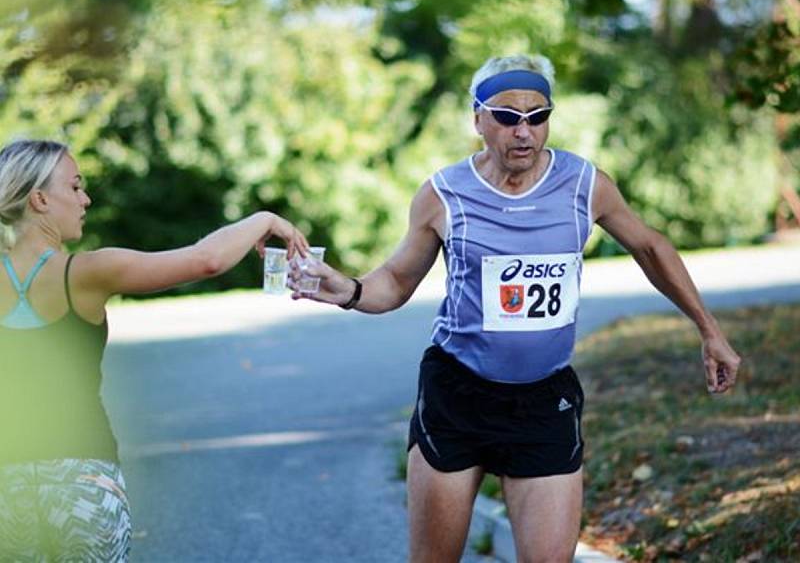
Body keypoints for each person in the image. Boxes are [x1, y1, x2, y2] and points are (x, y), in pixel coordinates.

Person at [289, 54, 741, 563]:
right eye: (507, 117)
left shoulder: (584, 184)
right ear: (478, 118)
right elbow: (394, 280)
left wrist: (709, 330)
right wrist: (348, 290)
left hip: (543, 400)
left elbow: (652, 247)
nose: (523, 131)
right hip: (457, 395)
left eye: (537, 115)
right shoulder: (444, 194)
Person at [0, 139, 308, 561]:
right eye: (74, 187)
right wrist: (265, 218)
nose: (85, 199)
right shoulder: (87, 272)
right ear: (39, 199)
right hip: (83, 482)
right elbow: (205, 260)